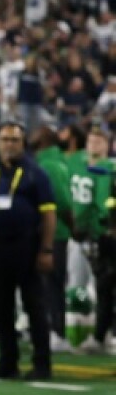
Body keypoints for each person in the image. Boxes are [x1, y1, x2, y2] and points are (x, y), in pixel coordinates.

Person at [0, 122, 56, 380]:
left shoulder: (35, 173)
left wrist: (46, 249)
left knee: (34, 306)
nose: (9, 145)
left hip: (27, 246)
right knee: (1, 307)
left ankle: (42, 364)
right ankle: (7, 362)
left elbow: (49, 214)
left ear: (23, 144)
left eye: (15, 140)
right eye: (5, 139)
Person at [70, 126, 115, 354]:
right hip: (80, 233)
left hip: (103, 234)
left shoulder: (110, 169)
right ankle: (97, 334)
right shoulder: (76, 162)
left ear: (108, 145)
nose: (94, 145)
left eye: (100, 141)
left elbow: (103, 205)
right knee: (92, 287)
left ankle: (104, 335)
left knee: (106, 286)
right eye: (91, 140)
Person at [29, 126, 75, 352]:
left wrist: (72, 224)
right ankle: (50, 329)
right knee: (48, 284)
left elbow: (62, 201)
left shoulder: (48, 165)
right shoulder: (54, 162)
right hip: (55, 231)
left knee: (51, 284)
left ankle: (56, 331)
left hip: (53, 232)